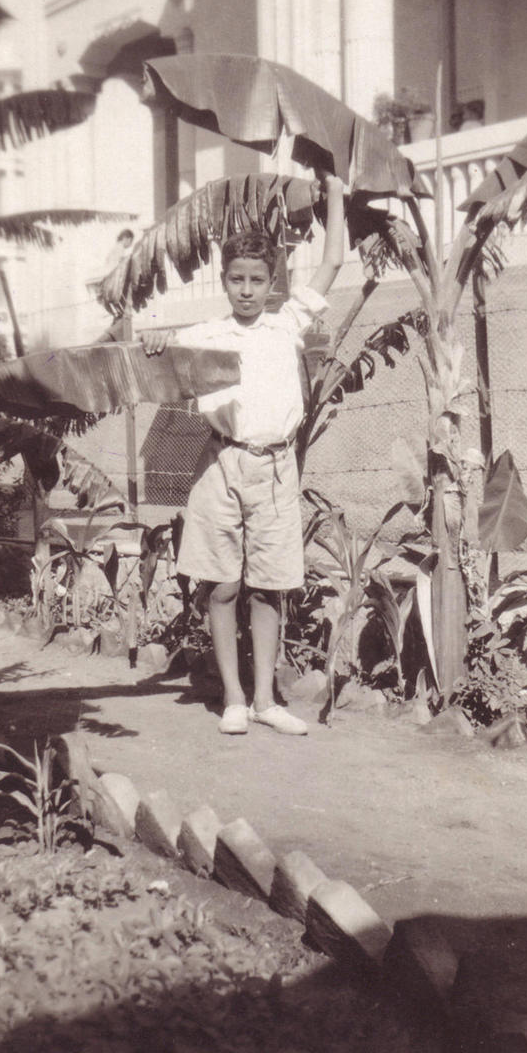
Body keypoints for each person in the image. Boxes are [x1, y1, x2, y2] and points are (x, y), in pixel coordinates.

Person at [141, 172, 345, 735]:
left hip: (277, 466)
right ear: (225, 282)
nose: (248, 289)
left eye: (258, 278)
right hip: (222, 464)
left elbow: (333, 262)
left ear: (272, 279)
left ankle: (265, 699)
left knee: (269, 586)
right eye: (237, 279)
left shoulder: (288, 325)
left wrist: (335, 194)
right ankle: (232, 696)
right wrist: (157, 337)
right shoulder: (207, 332)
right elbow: (153, 348)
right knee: (223, 584)